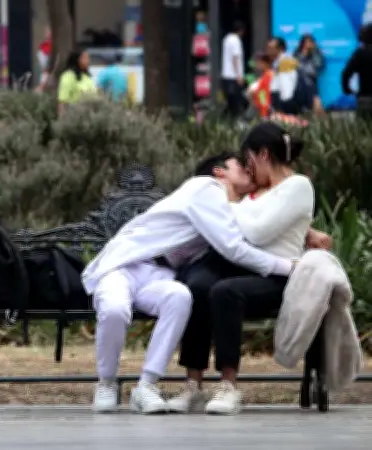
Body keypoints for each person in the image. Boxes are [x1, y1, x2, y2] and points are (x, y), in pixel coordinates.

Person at [83, 150, 299, 414]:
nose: (247, 169)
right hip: (125, 265)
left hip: (160, 275)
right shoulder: (205, 188)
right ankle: (106, 382)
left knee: (181, 297)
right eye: (239, 166)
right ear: (219, 172)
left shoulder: (229, 209)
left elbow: (255, 230)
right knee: (116, 309)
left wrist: (308, 232)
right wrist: (289, 268)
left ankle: (146, 386)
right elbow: (234, 248)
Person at [168, 122, 316, 416]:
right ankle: (193, 386)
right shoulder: (258, 192)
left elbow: (258, 232)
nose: (248, 171)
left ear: (262, 155)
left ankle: (228, 386)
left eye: (248, 161)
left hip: (278, 276)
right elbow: (242, 227)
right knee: (198, 287)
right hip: (245, 268)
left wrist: (227, 201)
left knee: (225, 291)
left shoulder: (298, 186)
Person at [342, 24, 372, 120]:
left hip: (365, 97)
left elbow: (346, 73)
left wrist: (347, 89)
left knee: (364, 130)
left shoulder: (360, 53)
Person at [57, 49, 98, 113]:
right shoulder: (68, 76)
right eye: (84, 58)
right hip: (75, 116)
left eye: (88, 58)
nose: (88, 61)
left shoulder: (87, 76)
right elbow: (62, 102)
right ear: (76, 60)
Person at [221, 21, 246, 118]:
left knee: (230, 101)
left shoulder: (227, 39)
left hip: (226, 76)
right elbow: (236, 57)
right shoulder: (236, 40)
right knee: (236, 102)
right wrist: (239, 75)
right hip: (233, 76)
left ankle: (225, 119)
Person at [248, 52, 275, 118]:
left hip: (264, 111)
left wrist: (264, 113)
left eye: (259, 62)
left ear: (266, 63)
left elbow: (263, 95)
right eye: (257, 62)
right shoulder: (264, 75)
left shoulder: (269, 75)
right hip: (259, 109)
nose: (257, 64)